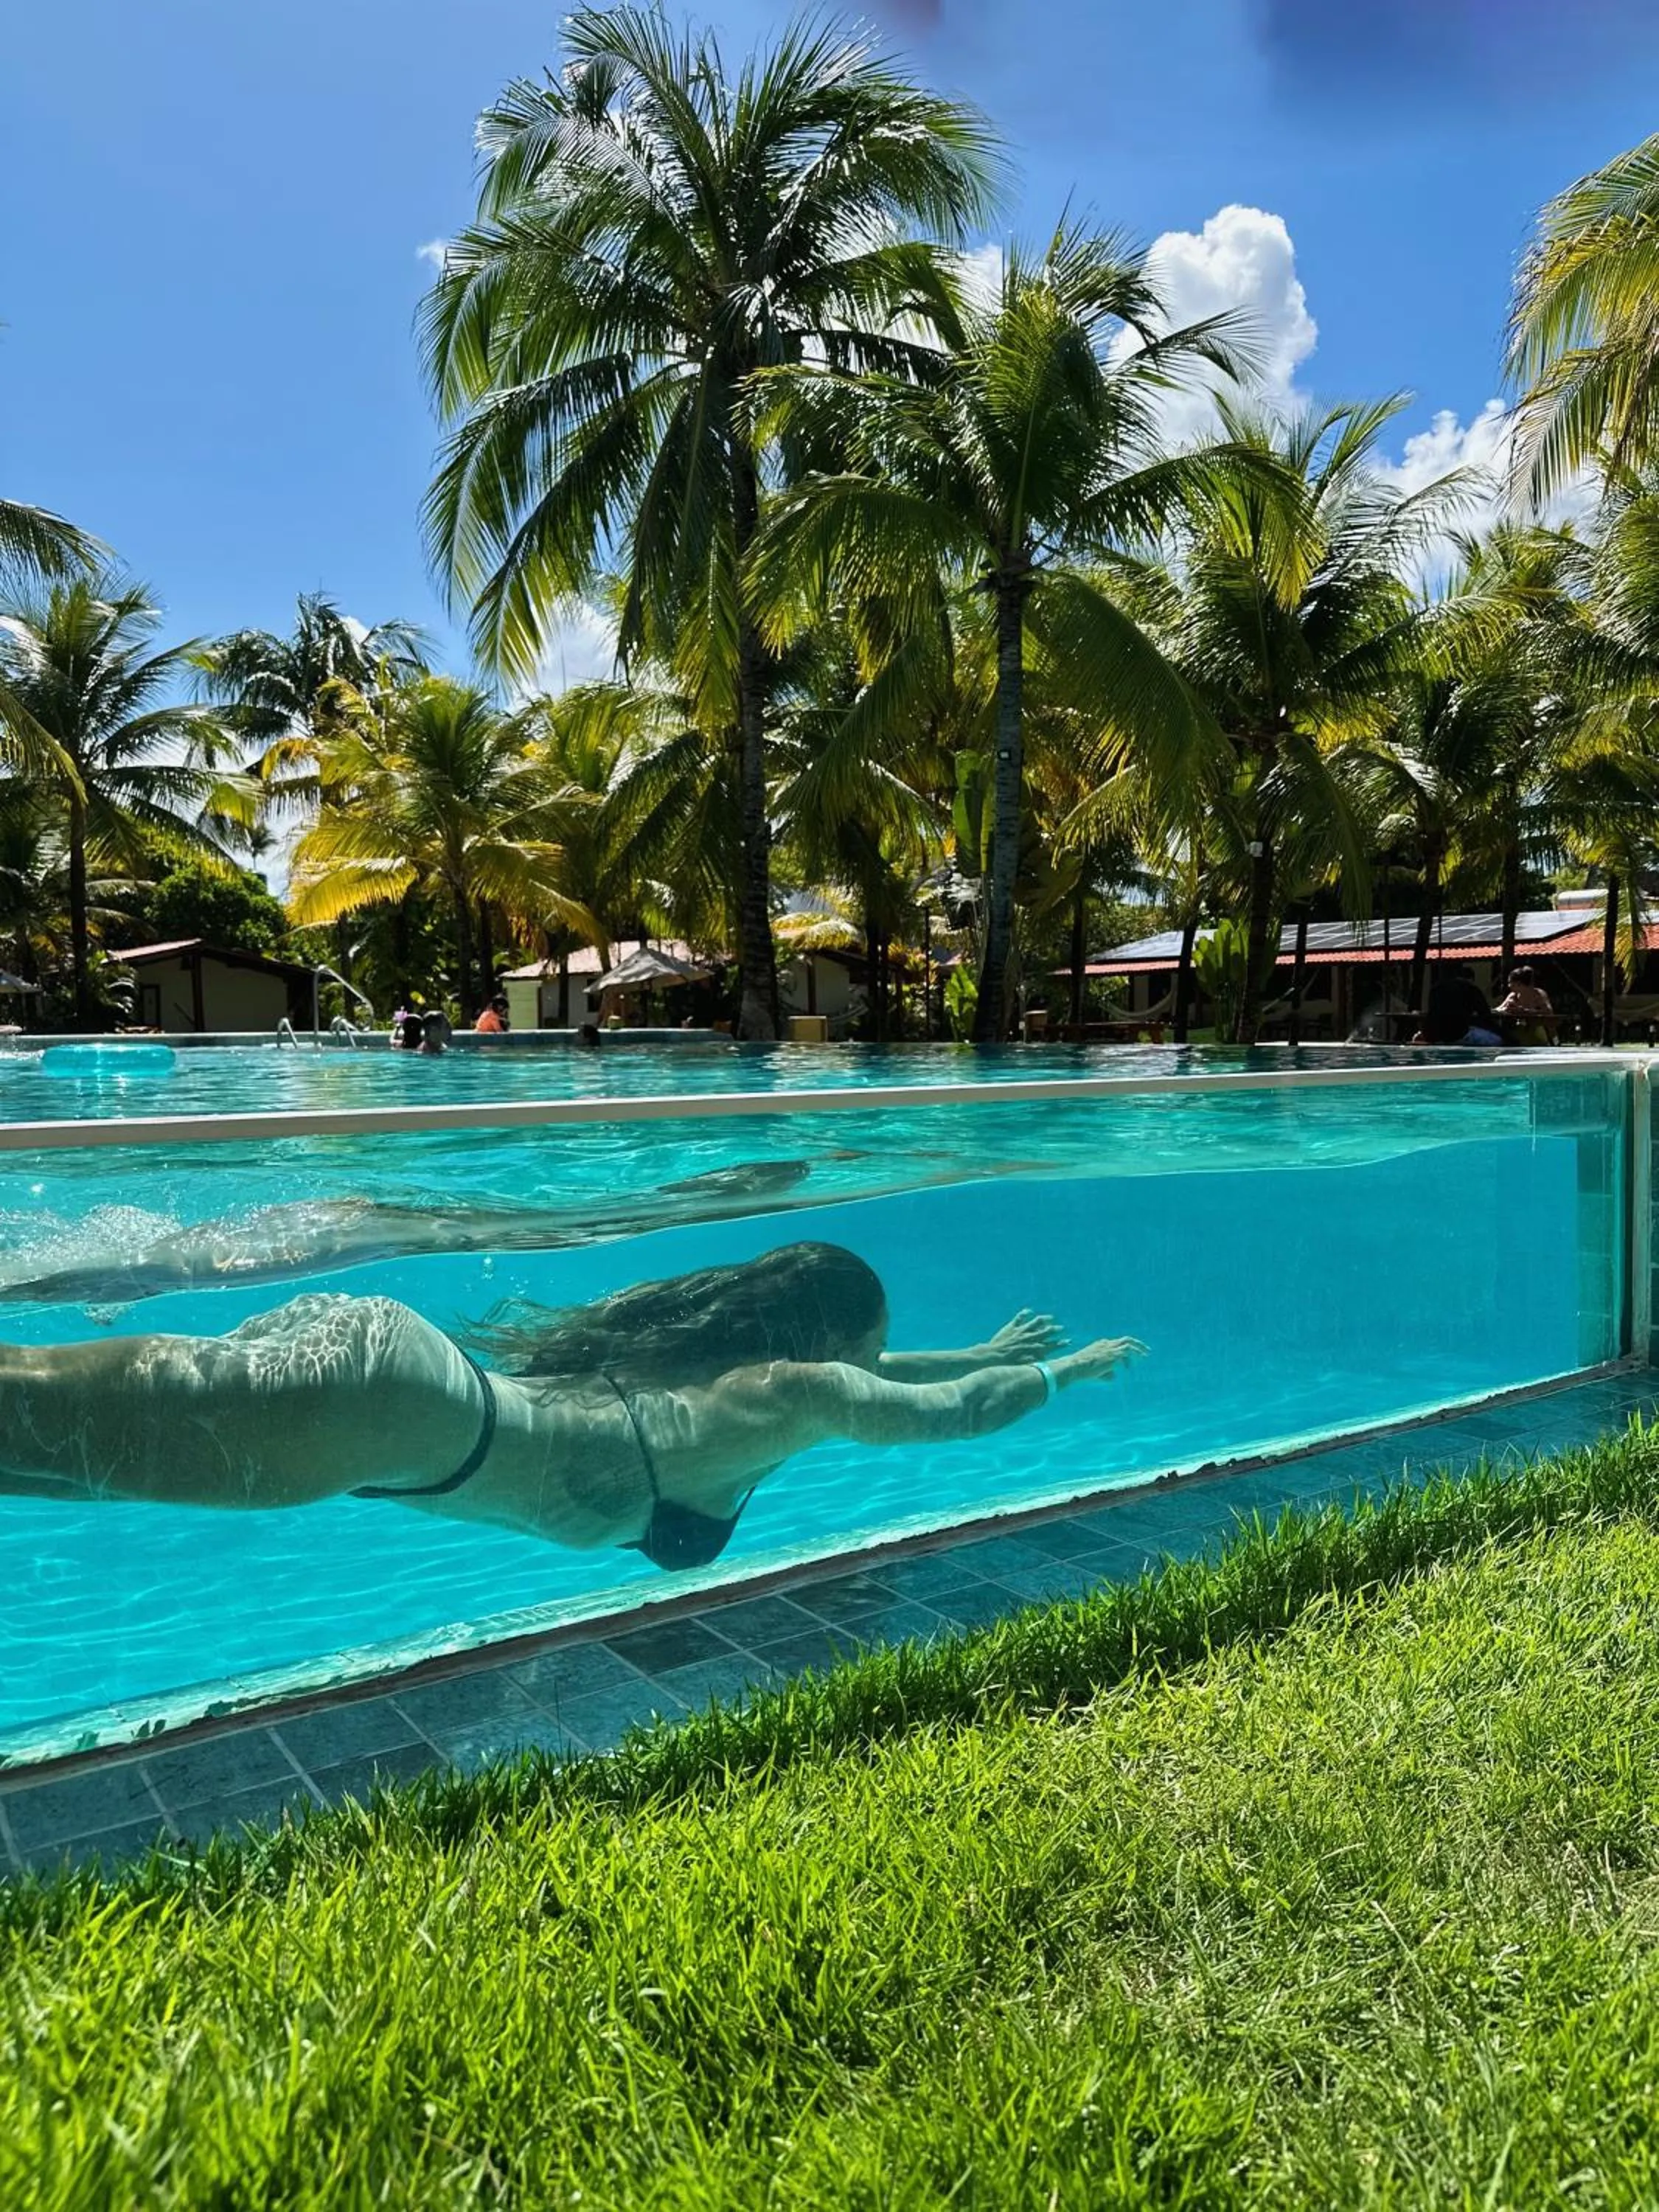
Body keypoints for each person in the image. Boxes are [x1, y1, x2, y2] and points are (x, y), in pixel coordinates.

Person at [0, 1243, 1144, 1570]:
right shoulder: (782, 1394)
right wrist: (1057, 1374)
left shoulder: (727, 1378)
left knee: (29, 1438)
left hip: (392, 1380)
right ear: (829, 1348)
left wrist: (969, 1347)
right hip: (395, 1414)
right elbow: (952, 1413)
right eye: (870, 1352)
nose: (873, 1369)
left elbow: (885, 1378)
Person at [1495, 965, 1557, 1046]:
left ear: (1519, 984)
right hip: (1521, 1029)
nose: (1509, 986)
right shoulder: (1513, 996)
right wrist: (1506, 1009)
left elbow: (1548, 1011)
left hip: (1539, 1029)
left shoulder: (1538, 994)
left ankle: (1554, 1043)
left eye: (1510, 983)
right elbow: (1498, 1009)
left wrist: (1524, 1011)